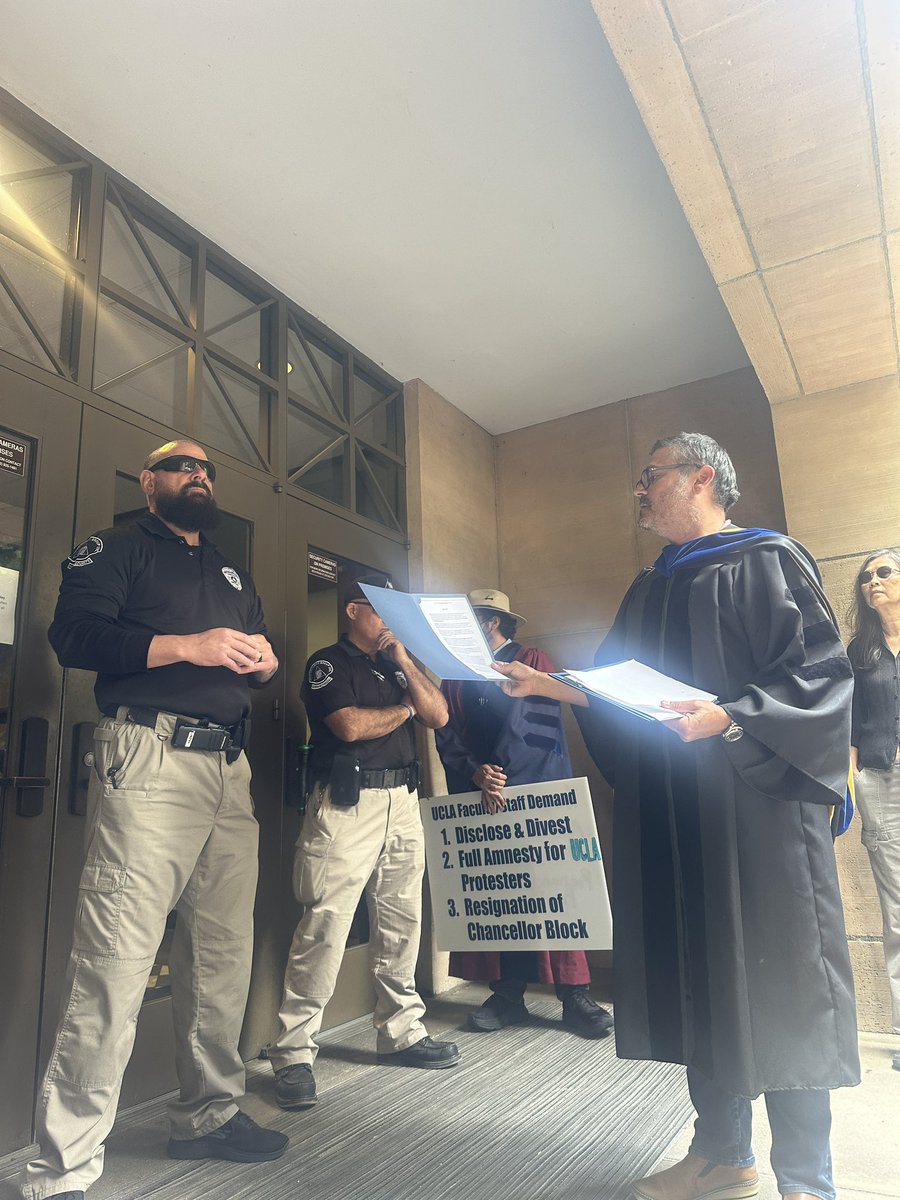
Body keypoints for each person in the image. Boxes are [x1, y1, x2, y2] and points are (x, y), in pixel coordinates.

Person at [494, 433, 859, 1200]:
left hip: (756, 812)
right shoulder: (649, 586)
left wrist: (729, 717)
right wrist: (550, 689)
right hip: (677, 813)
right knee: (700, 973)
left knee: (781, 987)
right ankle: (724, 1153)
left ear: (701, 478)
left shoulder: (769, 560)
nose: (638, 492)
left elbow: (821, 681)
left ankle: (807, 1180)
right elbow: (627, 692)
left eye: (648, 478)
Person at [25, 441, 287, 1200]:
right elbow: (73, 637)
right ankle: (62, 1167)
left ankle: (207, 1114)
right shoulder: (114, 546)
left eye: (204, 468)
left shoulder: (231, 569)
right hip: (149, 755)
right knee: (115, 959)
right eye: (179, 465)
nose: (195, 475)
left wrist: (264, 663)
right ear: (149, 482)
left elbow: (261, 649)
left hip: (228, 772)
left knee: (221, 956)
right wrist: (190, 647)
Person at [269, 576, 459, 1111]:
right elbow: (349, 726)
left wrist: (403, 659)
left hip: (401, 800)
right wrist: (405, 710)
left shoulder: (396, 662)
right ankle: (293, 1053)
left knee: (402, 920)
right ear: (353, 610)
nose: (389, 622)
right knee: (326, 924)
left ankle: (400, 1032)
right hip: (347, 807)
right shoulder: (328, 663)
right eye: (382, 612)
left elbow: (439, 714)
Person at [435, 587, 614, 1038]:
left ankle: (575, 994)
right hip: (482, 794)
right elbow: (445, 730)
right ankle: (508, 994)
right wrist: (477, 773)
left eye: (469, 620)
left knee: (555, 893)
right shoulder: (455, 673)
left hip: (534, 791)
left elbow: (537, 724)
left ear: (491, 622)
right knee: (502, 894)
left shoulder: (533, 659)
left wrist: (504, 777)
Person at [848, 548, 900, 1073]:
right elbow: (850, 725)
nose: (872, 583)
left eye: (883, 572)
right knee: (899, 913)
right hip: (884, 783)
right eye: (865, 578)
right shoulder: (860, 652)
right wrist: (857, 780)